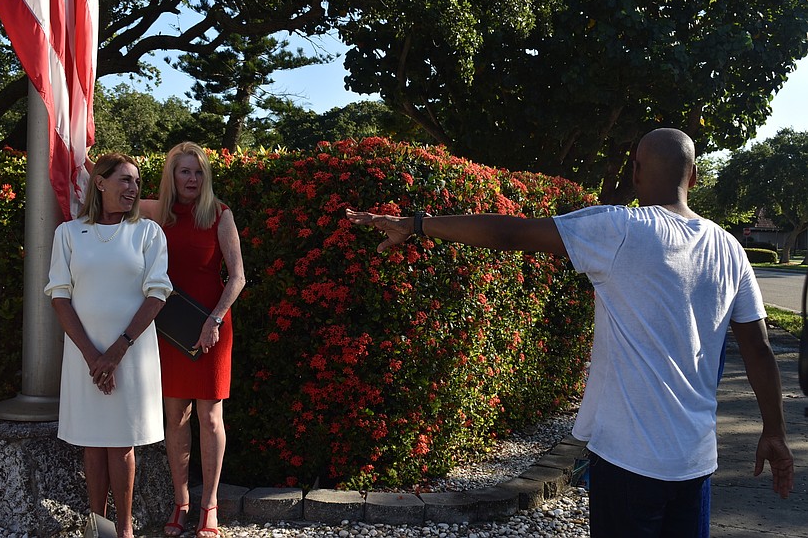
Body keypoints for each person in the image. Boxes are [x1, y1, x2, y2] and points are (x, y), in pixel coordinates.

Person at [346, 128, 794, 537]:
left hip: (627, 460)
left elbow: (509, 232)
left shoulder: (619, 229)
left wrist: (418, 224)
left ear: (635, 172)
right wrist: (773, 431)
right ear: (694, 177)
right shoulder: (730, 248)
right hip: (696, 462)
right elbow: (759, 350)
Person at [45, 153, 172, 538]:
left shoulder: (149, 233)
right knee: (91, 441)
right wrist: (92, 356)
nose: (133, 188)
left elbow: (158, 292)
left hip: (132, 355)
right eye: (126, 180)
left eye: (136, 181)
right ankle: (96, 528)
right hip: (84, 355)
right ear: (100, 183)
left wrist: (116, 351)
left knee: (121, 442)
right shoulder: (68, 233)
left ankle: (124, 531)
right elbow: (59, 295)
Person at [140, 142, 245, 538]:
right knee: (176, 418)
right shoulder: (156, 212)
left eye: (198, 172)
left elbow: (237, 276)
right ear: (172, 175)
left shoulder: (219, 214)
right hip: (170, 329)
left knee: (210, 416)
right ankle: (180, 502)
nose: (192, 179)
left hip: (212, 327)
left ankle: (209, 505)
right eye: (184, 171)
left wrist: (214, 319)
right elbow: (108, 190)